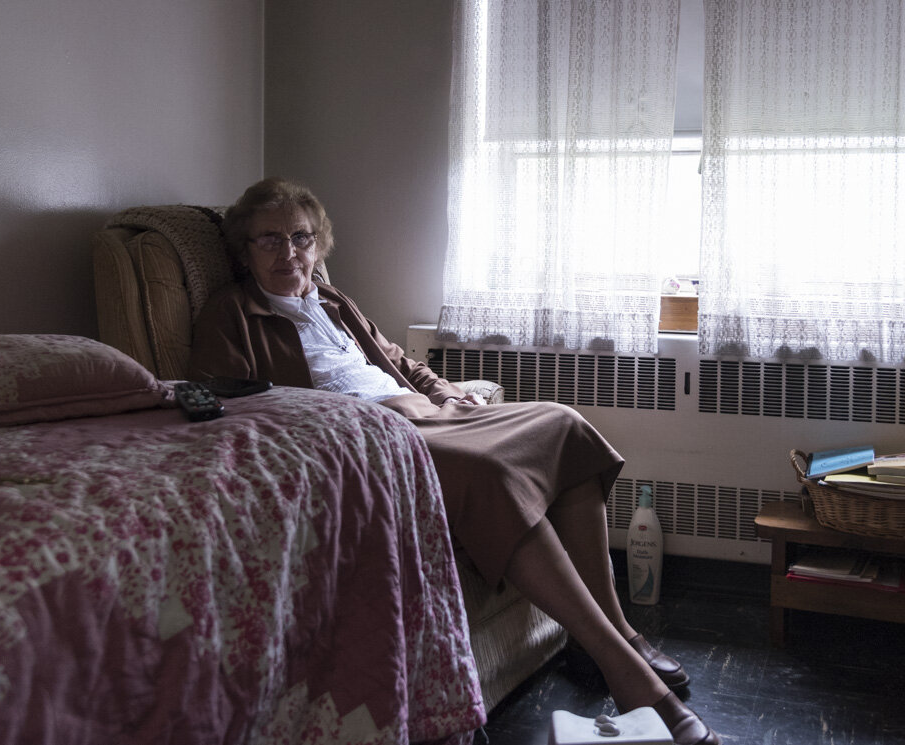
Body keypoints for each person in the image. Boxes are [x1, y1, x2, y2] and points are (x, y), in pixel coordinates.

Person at [190, 177, 720, 745]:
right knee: (489, 472)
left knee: (563, 425)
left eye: (301, 237)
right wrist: (371, 414)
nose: (289, 252)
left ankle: (617, 632)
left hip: (430, 416)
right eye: (269, 239)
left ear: (319, 244)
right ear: (244, 251)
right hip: (366, 440)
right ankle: (627, 672)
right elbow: (239, 407)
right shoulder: (232, 313)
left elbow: (398, 360)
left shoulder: (332, 300)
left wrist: (446, 393)